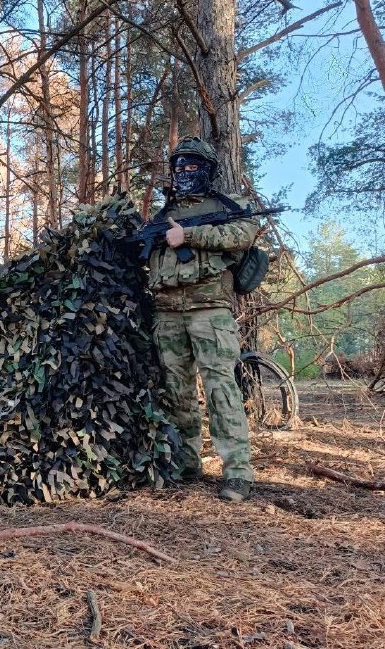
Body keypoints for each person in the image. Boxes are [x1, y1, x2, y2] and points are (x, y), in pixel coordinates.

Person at [147, 137, 257, 502]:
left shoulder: (227, 205)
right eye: (179, 167)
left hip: (210, 312)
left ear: (208, 170)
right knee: (176, 392)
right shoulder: (163, 214)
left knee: (221, 391)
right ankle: (186, 463)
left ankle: (238, 473)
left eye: (193, 166)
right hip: (166, 314)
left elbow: (242, 233)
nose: (185, 172)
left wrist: (187, 235)